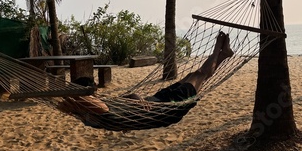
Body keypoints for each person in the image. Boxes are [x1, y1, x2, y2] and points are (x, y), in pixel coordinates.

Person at [57, 32, 234, 130]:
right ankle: (219, 48)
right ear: (89, 93)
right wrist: (137, 101)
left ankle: (224, 54)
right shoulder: (98, 108)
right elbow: (129, 99)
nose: (97, 90)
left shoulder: (88, 115)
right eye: (93, 90)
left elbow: (121, 111)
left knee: (194, 75)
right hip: (168, 106)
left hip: (160, 101)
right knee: (200, 74)